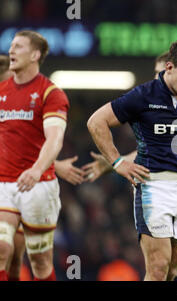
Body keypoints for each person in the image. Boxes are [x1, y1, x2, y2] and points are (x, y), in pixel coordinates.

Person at [87, 40, 177, 281]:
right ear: (169, 67)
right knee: (159, 266)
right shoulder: (143, 95)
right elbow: (96, 122)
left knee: (175, 266)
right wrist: (118, 162)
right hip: (152, 186)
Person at [0, 31, 70, 281]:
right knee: (2, 248)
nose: (11, 51)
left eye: (18, 46)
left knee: (39, 262)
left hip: (39, 186)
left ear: (35, 54)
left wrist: (37, 169)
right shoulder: (1, 91)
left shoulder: (50, 93)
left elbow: (55, 138)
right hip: (3, 184)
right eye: (11, 46)